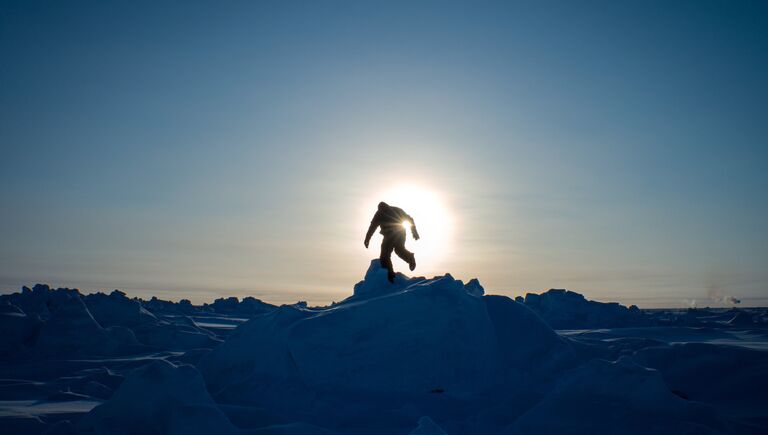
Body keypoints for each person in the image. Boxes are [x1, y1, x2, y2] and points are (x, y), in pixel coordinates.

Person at [364, 201, 420, 283]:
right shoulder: (392, 211)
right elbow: (410, 219)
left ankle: (390, 275)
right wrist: (414, 232)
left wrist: (367, 239)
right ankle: (410, 258)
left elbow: (372, 227)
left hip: (391, 235)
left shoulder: (384, 212)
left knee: (385, 256)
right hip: (400, 233)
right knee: (399, 250)